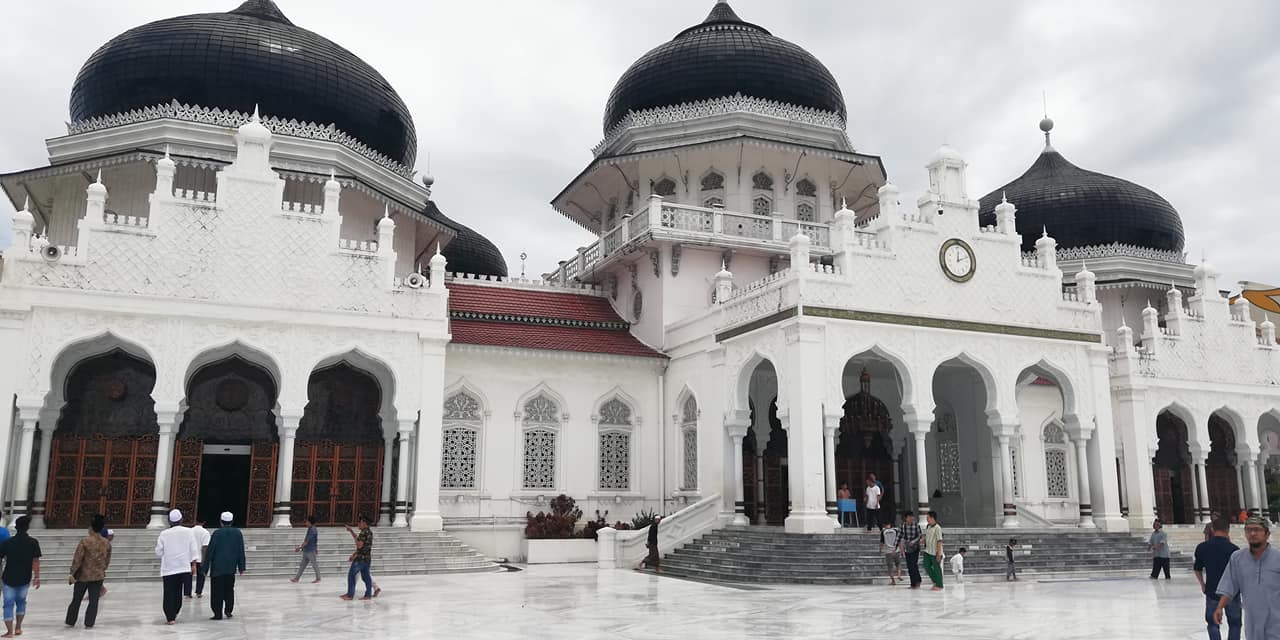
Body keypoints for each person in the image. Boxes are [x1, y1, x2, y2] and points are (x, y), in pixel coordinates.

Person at [1214, 517, 1280, 639]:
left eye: (1257, 530)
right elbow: (1230, 584)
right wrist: (1220, 607)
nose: (1252, 533)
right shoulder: (1237, 558)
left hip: (1276, 619)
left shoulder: (1278, 557)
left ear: (1267, 534)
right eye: (1248, 530)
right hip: (1252, 620)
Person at [1196, 517, 1241, 640]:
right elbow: (1239, 574)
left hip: (1212, 590)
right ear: (1228, 529)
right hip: (1232, 592)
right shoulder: (1234, 549)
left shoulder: (1202, 547)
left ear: (1212, 529)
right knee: (1235, 623)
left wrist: (1202, 584)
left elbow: (1197, 569)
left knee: (1212, 623)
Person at [65, 514, 111, 629]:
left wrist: (72, 573)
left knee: (77, 599)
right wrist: (102, 569)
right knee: (94, 600)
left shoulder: (85, 541)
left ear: (91, 528)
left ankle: (71, 620)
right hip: (98, 576)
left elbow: (77, 559)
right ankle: (89, 622)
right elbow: (107, 559)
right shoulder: (106, 543)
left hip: (83, 576)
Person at [154, 508, 199, 625]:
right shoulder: (189, 532)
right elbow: (193, 549)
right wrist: (193, 564)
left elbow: (158, 551)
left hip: (169, 568)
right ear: (181, 520)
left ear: (169, 521)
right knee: (178, 591)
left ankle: (170, 617)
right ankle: (175, 612)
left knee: (168, 592)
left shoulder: (164, 534)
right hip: (183, 567)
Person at [0, 516, 39, 638]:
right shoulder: (33, 542)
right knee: (21, 602)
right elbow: (35, 561)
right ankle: (18, 628)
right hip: (24, 577)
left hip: (9, 577)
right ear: (27, 527)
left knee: (8, 604)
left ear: (16, 527)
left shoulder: (8, 543)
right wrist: (37, 577)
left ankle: (9, 632)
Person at [204, 511, 246, 620]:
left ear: (221, 522)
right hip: (230, 568)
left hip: (217, 568)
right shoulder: (238, 533)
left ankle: (217, 613)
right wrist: (241, 567)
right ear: (232, 522)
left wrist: (205, 568)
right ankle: (228, 610)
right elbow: (241, 551)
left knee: (216, 591)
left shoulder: (217, 533)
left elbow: (210, 551)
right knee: (229, 589)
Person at [342, 515, 376, 601]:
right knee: (366, 577)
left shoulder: (364, 532)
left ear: (364, 523)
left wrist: (352, 533)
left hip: (361, 559)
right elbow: (363, 547)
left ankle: (350, 595)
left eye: (359, 522)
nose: (358, 524)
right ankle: (368, 594)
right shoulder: (369, 532)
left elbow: (359, 545)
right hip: (367, 558)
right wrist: (354, 555)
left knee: (351, 575)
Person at [185, 519, 211, 599]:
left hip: (190, 557)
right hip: (200, 557)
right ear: (204, 522)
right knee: (201, 575)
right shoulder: (205, 532)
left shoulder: (189, 531)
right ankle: (199, 592)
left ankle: (187, 592)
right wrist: (204, 559)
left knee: (188, 575)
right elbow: (205, 547)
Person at [292, 514, 321, 583]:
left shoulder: (313, 530)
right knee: (302, 565)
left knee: (314, 564)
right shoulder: (310, 529)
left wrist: (299, 548)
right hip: (306, 550)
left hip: (311, 550)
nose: (305, 523)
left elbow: (306, 541)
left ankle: (318, 578)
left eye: (306, 521)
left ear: (310, 522)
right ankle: (296, 578)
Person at [900, 512, 923, 588]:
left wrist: (913, 542)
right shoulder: (903, 526)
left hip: (915, 548)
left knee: (913, 564)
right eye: (909, 517)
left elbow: (920, 535)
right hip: (907, 548)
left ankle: (918, 581)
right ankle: (913, 583)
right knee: (909, 566)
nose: (911, 519)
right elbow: (900, 537)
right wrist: (901, 548)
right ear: (906, 518)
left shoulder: (916, 525)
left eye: (912, 517)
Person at [923, 510, 944, 591]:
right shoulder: (928, 526)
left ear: (932, 518)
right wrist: (923, 540)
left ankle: (939, 585)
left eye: (928, 518)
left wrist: (939, 554)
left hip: (935, 552)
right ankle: (935, 581)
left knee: (937, 568)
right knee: (927, 566)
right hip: (927, 551)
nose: (927, 519)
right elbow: (927, 536)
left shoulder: (938, 528)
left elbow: (939, 541)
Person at [878, 520, 902, 585]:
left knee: (890, 567)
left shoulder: (883, 532)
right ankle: (899, 575)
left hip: (888, 552)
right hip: (896, 550)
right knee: (898, 563)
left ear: (884, 525)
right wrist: (902, 550)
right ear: (890, 524)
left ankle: (893, 581)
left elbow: (882, 542)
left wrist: (880, 550)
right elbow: (899, 541)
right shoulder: (895, 531)